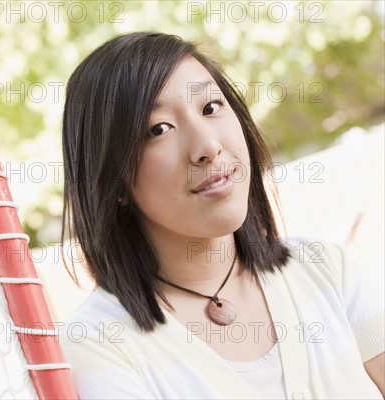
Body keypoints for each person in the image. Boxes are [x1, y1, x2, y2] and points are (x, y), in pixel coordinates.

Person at [58, 32, 384, 399]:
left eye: (211, 108)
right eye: (158, 129)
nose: (208, 146)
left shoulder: (324, 269)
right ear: (112, 178)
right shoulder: (98, 345)